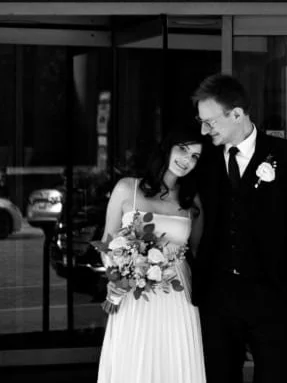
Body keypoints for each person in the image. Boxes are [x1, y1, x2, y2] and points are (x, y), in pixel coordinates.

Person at [191, 73, 287, 383]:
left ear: (236, 114)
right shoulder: (203, 160)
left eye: (210, 122)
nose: (204, 130)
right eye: (201, 122)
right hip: (217, 295)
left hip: (272, 294)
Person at [97, 123, 207, 383]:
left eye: (194, 156)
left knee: (175, 359)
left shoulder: (192, 201)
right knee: (135, 357)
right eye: (183, 149)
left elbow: (198, 251)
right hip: (134, 292)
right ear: (167, 148)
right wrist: (117, 275)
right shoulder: (127, 188)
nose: (187, 160)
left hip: (177, 293)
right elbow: (107, 242)